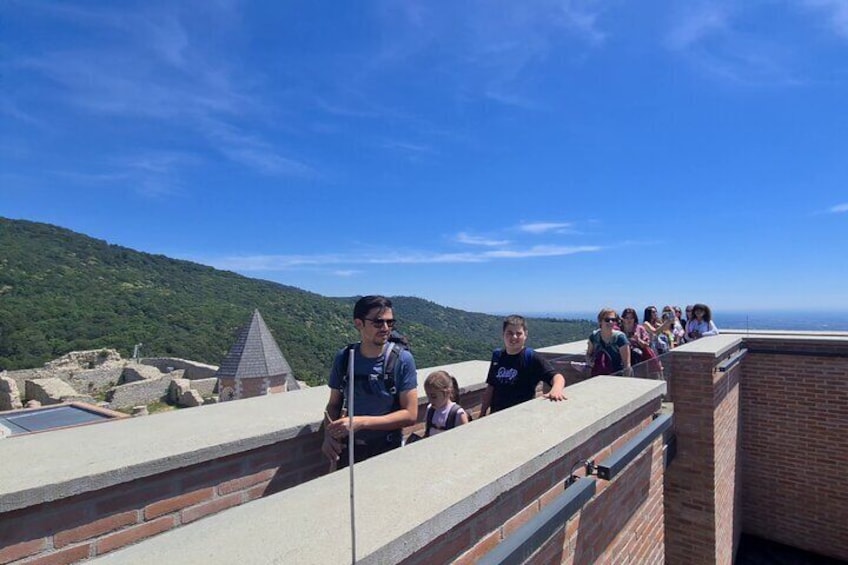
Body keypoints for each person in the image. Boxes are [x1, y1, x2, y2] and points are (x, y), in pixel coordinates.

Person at [322, 295, 418, 468]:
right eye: (378, 322)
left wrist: (360, 422)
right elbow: (333, 405)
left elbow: (411, 414)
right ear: (359, 323)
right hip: (349, 448)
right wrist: (329, 435)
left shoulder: (402, 360)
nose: (386, 328)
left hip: (387, 447)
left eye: (390, 322)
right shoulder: (344, 358)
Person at [479, 315, 566, 416]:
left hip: (522, 416)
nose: (514, 337)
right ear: (503, 334)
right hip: (496, 415)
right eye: (510, 333)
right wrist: (483, 413)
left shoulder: (531, 357)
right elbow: (491, 387)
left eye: (518, 333)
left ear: (525, 335)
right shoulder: (497, 356)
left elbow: (557, 377)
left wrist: (556, 389)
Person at [422, 370, 469, 437]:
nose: (430, 400)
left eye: (434, 396)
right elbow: (427, 432)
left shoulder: (457, 413)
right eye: (428, 396)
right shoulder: (430, 409)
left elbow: (466, 437)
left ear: (447, 393)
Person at [586, 308, 631, 376]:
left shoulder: (620, 338)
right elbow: (588, 354)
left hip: (616, 376)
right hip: (598, 375)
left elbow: (626, 364)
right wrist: (589, 362)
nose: (610, 322)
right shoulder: (594, 337)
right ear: (600, 321)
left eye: (613, 320)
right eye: (607, 320)